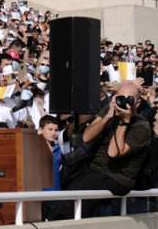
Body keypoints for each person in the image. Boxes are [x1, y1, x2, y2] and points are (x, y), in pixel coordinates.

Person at [53, 82, 151, 219]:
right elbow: (87, 137)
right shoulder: (108, 112)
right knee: (63, 206)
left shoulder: (141, 127)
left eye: (129, 99)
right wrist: (108, 116)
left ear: (138, 102)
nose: (123, 102)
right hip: (94, 169)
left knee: (70, 210)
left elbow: (113, 152)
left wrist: (124, 121)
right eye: (120, 98)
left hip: (116, 177)